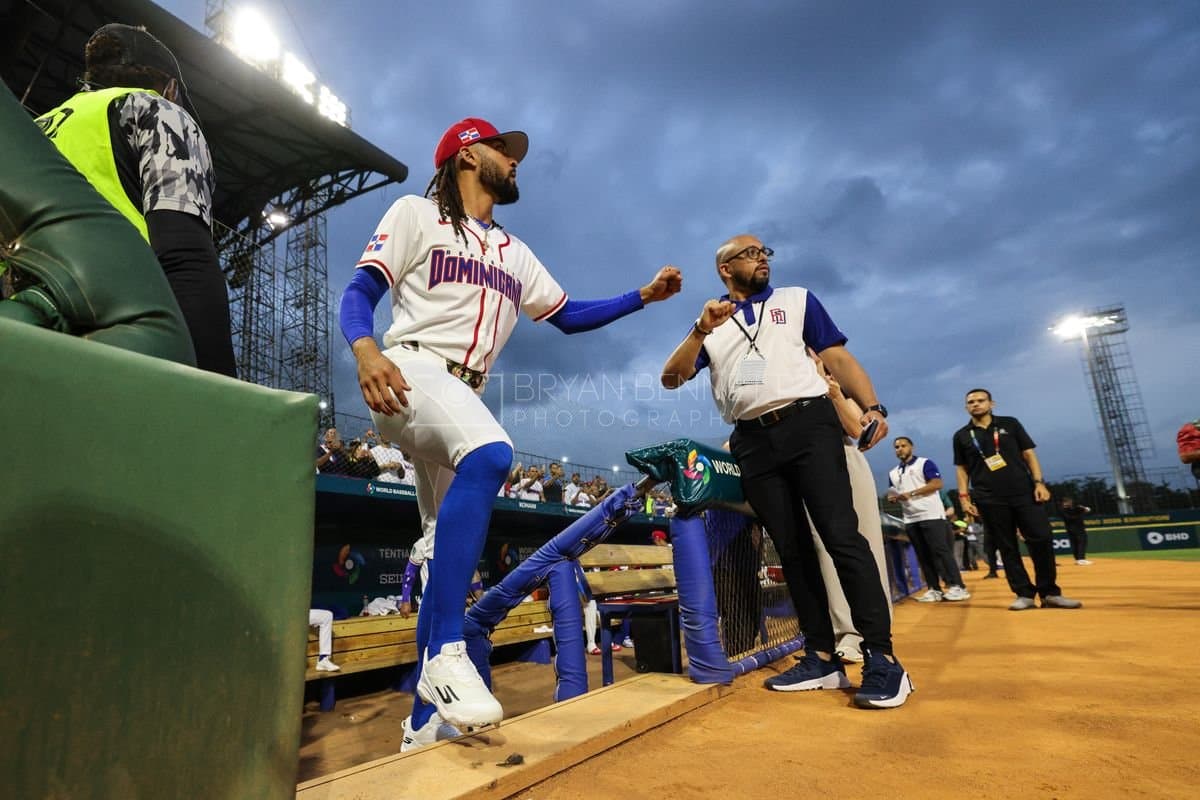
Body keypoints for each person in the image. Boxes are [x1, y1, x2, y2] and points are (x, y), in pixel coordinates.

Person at [338, 116, 681, 742]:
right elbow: (359, 290)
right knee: (493, 454)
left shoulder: (513, 251)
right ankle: (446, 656)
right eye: (502, 148)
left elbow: (568, 316)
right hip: (409, 369)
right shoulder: (416, 213)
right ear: (468, 156)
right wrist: (365, 350)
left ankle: (422, 723)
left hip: (457, 393)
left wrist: (642, 296)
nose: (514, 158)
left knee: (444, 550)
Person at [660, 233, 911, 709]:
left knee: (841, 536)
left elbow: (835, 355)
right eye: (750, 254)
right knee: (792, 552)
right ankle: (821, 657)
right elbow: (671, 379)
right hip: (752, 439)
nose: (762, 259)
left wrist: (872, 405)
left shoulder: (796, 300)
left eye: (764, 253)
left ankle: (882, 657)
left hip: (807, 422)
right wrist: (698, 330)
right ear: (724, 268)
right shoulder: (711, 323)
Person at [26, 24, 236, 376]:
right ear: (169, 86)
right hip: (113, 336)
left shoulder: (35, 128)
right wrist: (224, 390)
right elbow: (185, 256)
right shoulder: (154, 110)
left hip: (23, 337)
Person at [953, 389, 1082, 611]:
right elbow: (962, 470)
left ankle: (1050, 592)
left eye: (980, 400)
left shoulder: (1010, 424)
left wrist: (1039, 482)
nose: (975, 404)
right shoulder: (963, 435)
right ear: (966, 407)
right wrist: (964, 497)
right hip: (988, 497)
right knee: (1007, 546)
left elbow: (1029, 454)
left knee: (1041, 538)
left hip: (1024, 492)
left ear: (991, 403)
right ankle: (1024, 594)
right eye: (970, 402)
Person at [807, 354, 896, 663]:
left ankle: (864, 636)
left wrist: (829, 389)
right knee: (823, 552)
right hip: (808, 465)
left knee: (861, 545)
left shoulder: (837, 386)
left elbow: (857, 431)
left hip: (843, 458)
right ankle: (841, 634)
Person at [887, 437, 970, 603]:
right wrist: (893, 497)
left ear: (912, 447)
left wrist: (911, 493)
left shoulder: (925, 463)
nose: (900, 449)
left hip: (931, 514)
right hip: (910, 518)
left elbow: (937, 484)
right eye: (897, 447)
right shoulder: (893, 472)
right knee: (922, 555)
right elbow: (893, 491)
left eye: (903, 446)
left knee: (941, 551)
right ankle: (934, 589)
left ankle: (958, 586)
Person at [1058, 497, 1093, 565]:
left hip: (1071, 528)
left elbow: (1088, 509)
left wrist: (1083, 508)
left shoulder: (1075, 508)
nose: (1070, 503)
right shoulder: (1064, 510)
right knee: (1081, 542)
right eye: (1067, 502)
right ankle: (1081, 559)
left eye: (1070, 502)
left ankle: (1078, 559)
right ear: (1064, 503)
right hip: (1077, 528)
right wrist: (1081, 514)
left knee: (1075, 543)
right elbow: (1070, 518)